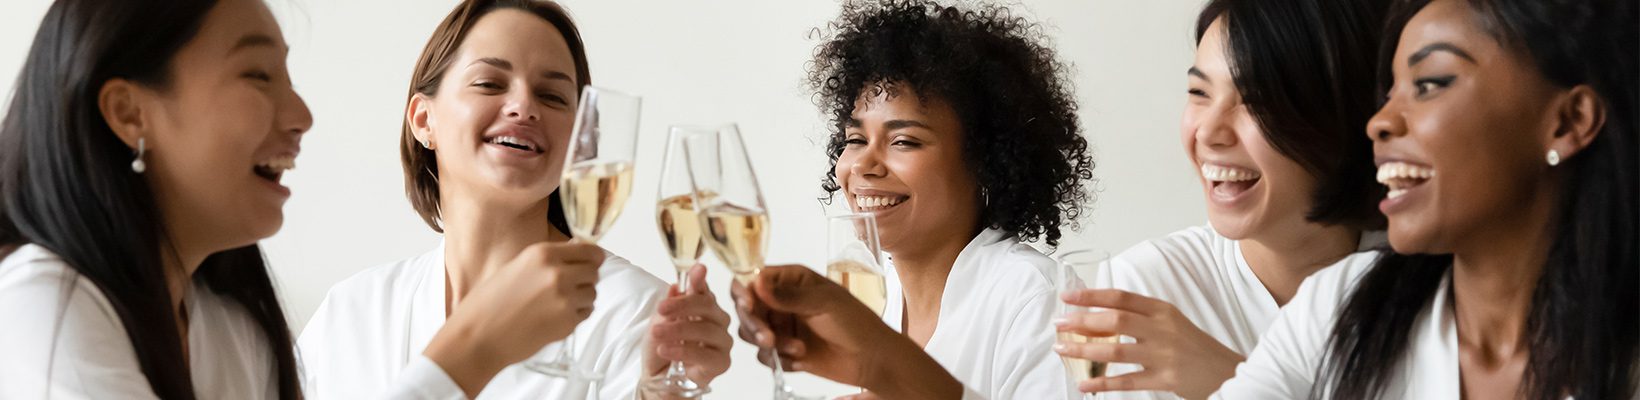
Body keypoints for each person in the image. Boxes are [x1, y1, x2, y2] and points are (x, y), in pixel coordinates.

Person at [297, 1, 732, 398]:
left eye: (552, 96)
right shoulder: (351, 312)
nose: (524, 106)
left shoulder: (636, 314)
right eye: (489, 83)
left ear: (582, 140)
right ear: (424, 119)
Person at [1214, 0, 1638, 398]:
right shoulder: (1340, 305)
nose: (1380, 122)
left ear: (1569, 121)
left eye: (1430, 84)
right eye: (1389, 92)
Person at [736, 0, 1094, 398]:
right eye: (855, 140)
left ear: (986, 163)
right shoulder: (876, 292)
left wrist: (889, 365)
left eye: (903, 141)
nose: (863, 165)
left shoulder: (1035, 298)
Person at [1054, 0, 1389, 398]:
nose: (1210, 132)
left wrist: (1231, 380)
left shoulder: (1428, 289)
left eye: (1258, 100)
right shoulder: (1145, 291)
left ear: (1344, 117)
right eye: (1199, 92)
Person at [0, 0, 313, 397]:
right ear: (128, 113)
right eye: (258, 75)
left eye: (290, 82)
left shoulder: (232, 326)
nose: (301, 116)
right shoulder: (45, 306)